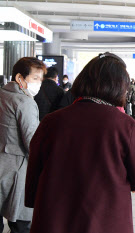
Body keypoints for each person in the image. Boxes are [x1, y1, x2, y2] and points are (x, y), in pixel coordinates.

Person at [25, 52, 135, 233]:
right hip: (105, 220)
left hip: (53, 218)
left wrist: (32, 198)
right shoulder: (127, 127)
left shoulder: (51, 121)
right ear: (119, 86)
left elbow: (34, 168)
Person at [0, 57, 46, 233]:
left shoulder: (3, 93)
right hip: (17, 171)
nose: (38, 83)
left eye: (40, 79)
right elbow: (32, 141)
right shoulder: (24, 101)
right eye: (35, 78)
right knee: (21, 224)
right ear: (20, 78)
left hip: (2, 164)